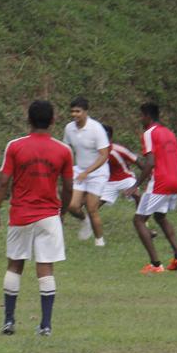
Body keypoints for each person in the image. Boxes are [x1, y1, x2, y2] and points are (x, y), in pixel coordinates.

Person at [0, 100, 73, 337]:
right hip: (49, 216)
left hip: (20, 214)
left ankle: (9, 321)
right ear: (53, 121)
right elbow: (68, 186)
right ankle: (45, 325)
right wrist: (63, 212)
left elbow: (3, 182)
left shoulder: (15, 146)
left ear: (28, 120)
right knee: (45, 268)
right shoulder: (63, 150)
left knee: (15, 265)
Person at [124, 103, 177, 274]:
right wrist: (174, 176)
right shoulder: (170, 133)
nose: (140, 120)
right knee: (160, 217)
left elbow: (150, 162)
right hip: (175, 181)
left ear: (147, 116)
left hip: (160, 182)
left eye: (141, 116)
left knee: (139, 220)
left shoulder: (149, 133)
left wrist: (135, 185)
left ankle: (155, 264)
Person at [62, 96, 110, 246]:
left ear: (86, 112)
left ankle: (99, 241)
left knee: (91, 208)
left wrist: (87, 172)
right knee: (72, 206)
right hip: (79, 171)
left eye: (78, 111)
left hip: (98, 172)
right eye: (72, 111)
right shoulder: (69, 128)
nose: (74, 114)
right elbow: (66, 149)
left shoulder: (96, 129)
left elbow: (104, 155)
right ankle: (85, 221)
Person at [99, 124, 159, 240]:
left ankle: (144, 226)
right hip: (109, 182)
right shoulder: (95, 151)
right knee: (94, 206)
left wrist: (150, 176)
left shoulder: (118, 150)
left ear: (109, 137)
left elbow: (137, 161)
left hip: (126, 178)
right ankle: (90, 227)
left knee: (137, 196)